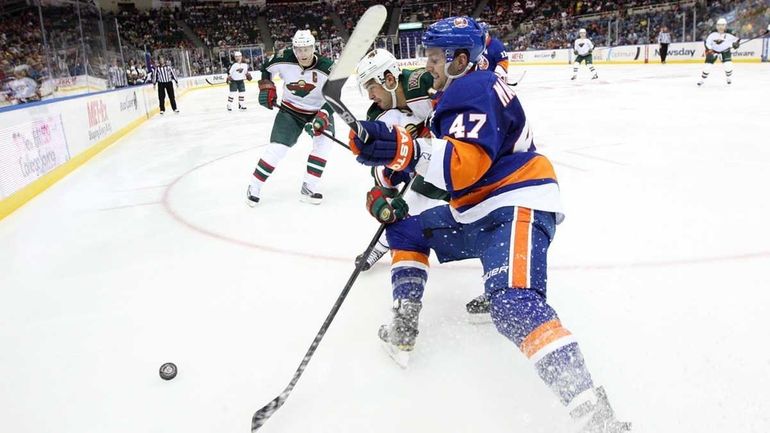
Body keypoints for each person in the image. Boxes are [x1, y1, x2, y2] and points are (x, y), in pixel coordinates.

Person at [347, 16, 629, 432]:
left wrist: (401, 149)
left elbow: (464, 167)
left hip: (515, 201)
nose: (428, 67)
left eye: (435, 58)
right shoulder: (469, 82)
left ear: (461, 60)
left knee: (513, 304)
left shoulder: (471, 87)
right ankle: (405, 317)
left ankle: (597, 417)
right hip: (480, 209)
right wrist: (390, 158)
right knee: (406, 229)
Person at [353, 48, 444, 271]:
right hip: (422, 163)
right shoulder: (378, 116)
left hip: (457, 156)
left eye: (371, 88)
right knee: (402, 206)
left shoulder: (422, 82)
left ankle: (383, 244)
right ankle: (385, 242)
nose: (370, 96)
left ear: (390, 79)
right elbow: (381, 158)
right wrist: (384, 192)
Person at [247, 30, 336, 206]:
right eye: (299, 49)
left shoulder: (327, 67)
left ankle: (309, 187)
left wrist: (321, 118)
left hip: (317, 111)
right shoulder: (283, 57)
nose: (303, 54)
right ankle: (254, 186)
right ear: (293, 48)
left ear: (313, 48)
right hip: (290, 111)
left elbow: (334, 97)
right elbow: (265, 68)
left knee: (324, 145)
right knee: (277, 149)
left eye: (306, 49)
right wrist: (267, 87)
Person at [698, 18, 740, 86]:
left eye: (722, 25)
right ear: (716, 26)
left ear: (725, 26)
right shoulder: (712, 33)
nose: (720, 27)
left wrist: (736, 45)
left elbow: (736, 41)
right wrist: (710, 50)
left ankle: (728, 78)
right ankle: (702, 80)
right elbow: (707, 43)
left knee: (728, 66)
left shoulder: (731, 32)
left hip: (725, 51)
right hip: (713, 51)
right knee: (707, 67)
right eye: (719, 25)